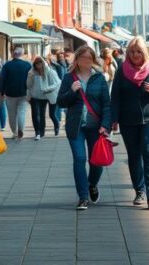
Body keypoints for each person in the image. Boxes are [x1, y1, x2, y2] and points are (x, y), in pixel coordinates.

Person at [111, 36, 149, 208]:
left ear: (144, 52)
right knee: (134, 156)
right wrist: (114, 119)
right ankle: (140, 190)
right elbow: (115, 97)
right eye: (132, 51)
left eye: (138, 51)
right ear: (128, 53)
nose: (135, 54)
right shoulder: (122, 71)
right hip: (128, 121)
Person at [56, 45, 112, 210]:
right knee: (79, 159)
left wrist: (105, 125)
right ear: (77, 59)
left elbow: (107, 105)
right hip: (76, 126)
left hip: (96, 127)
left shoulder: (99, 78)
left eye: (89, 59)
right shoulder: (69, 78)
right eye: (82, 58)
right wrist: (72, 91)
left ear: (93, 60)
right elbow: (60, 102)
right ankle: (83, 197)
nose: (86, 62)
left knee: (97, 162)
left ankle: (92, 184)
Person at [0, 47, 31, 139]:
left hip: (10, 93)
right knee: (21, 112)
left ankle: (15, 132)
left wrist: (2, 92)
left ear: (13, 54)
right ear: (21, 54)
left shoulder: (7, 65)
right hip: (23, 92)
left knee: (12, 113)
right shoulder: (27, 65)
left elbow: (2, 79)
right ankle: (21, 129)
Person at [27, 56, 60, 140]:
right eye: (36, 64)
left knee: (47, 114)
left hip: (46, 96)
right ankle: (38, 132)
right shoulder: (32, 72)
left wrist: (47, 89)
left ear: (43, 63)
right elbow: (28, 85)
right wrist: (30, 77)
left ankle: (53, 127)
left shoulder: (50, 72)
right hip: (34, 96)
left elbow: (56, 83)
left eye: (40, 63)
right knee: (35, 114)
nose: (38, 66)